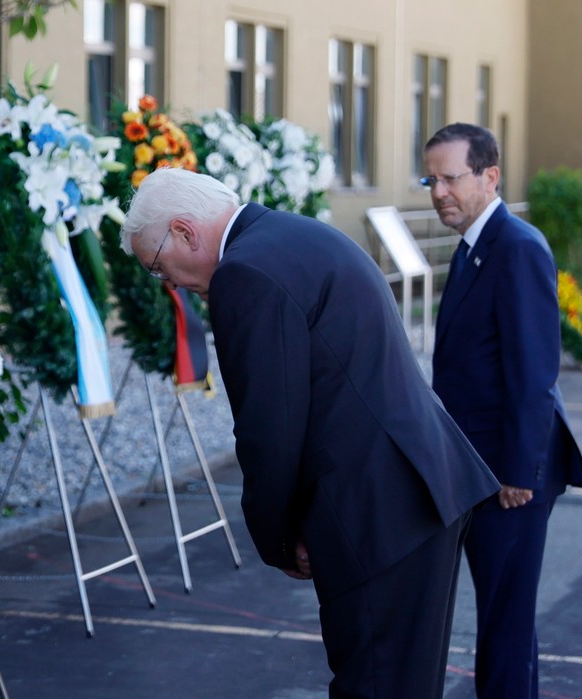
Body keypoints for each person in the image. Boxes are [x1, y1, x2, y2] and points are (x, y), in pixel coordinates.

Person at [120, 168, 501, 697]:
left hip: (376, 512)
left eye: (160, 268)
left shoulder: (244, 272)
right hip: (417, 491)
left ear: (185, 231)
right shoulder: (293, 234)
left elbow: (268, 429)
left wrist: (277, 538)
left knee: (374, 686)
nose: (172, 284)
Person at [424, 123, 582, 698]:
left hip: (509, 477)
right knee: (505, 625)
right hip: (480, 468)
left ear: (490, 176)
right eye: (432, 179)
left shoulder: (516, 247)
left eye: (451, 178)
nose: (439, 191)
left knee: (506, 627)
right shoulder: (475, 247)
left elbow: (534, 371)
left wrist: (519, 472)